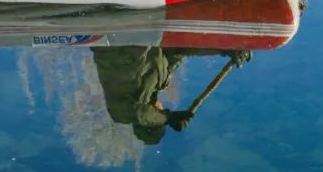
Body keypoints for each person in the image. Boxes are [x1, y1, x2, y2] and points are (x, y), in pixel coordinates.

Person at [90, 46, 251, 144]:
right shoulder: (161, 80)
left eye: (158, 118)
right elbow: (179, 49)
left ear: (151, 123)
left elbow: (140, 114)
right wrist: (225, 50)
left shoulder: (122, 114)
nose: (162, 107)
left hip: (113, 42)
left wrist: (168, 118)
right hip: (141, 34)